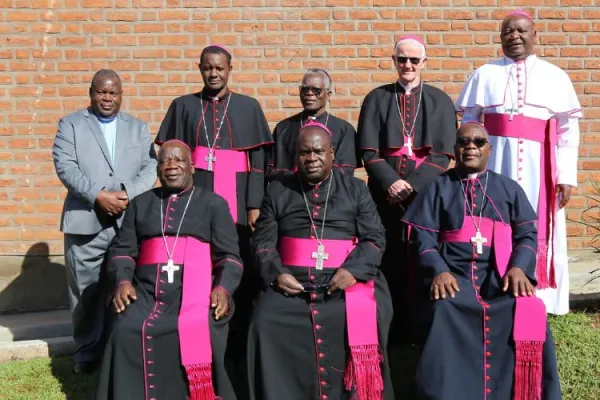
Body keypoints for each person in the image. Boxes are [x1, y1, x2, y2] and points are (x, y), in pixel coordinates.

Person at [402, 123, 561, 399]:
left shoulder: (508, 189)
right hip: (454, 276)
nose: (471, 146)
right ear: (455, 149)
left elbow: (527, 235)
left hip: (497, 276)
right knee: (445, 307)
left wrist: (518, 267)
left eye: (478, 142)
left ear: (489, 149)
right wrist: (438, 270)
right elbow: (422, 238)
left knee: (527, 306)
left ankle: (525, 391)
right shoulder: (437, 187)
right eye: (464, 142)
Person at [154, 44, 272, 393]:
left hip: (237, 199)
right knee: (200, 265)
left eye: (220, 68)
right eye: (208, 68)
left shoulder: (248, 107)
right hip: (199, 196)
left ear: (230, 69)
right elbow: (170, 157)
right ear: (200, 69)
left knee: (238, 265)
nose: (214, 74)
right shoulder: (184, 106)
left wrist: (253, 204)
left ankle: (238, 343)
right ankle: (200, 336)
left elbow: (258, 163)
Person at [248, 122, 394, 400]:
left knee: (365, 314)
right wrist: (276, 274)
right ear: (296, 156)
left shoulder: (356, 189)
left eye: (318, 151)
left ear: (332, 154)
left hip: (344, 283)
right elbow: (262, 243)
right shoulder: (277, 191)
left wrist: (353, 270)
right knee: (263, 319)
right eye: (305, 153)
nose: (311, 158)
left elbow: (375, 239)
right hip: (292, 285)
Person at [455, 10, 582, 315]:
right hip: (495, 164)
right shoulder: (485, 74)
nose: (514, 36)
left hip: (541, 169)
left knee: (539, 224)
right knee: (493, 220)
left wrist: (565, 176)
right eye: (508, 32)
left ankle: (542, 297)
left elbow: (568, 130)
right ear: (501, 38)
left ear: (534, 35)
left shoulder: (555, 75)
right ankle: (493, 285)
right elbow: (470, 122)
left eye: (521, 31)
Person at [97, 140, 243, 400]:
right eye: (164, 161)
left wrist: (223, 288)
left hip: (196, 293)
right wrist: (122, 282)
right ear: (157, 169)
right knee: (125, 328)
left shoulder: (214, 204)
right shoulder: (141, 203)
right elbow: (122, 250)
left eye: (178, 160)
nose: (171, 166)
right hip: (146, 292)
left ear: (192, 166)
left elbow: (230, 256)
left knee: (200, 325)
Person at [52, 69, 157, 374]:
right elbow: (65, 166)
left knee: (126, 286)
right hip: (85, 220)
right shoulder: (70, 125)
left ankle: (120, 350)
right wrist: (97, 195)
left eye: (113, 93)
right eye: (101, 92)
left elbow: (151, 165)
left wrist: (127, 193)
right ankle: (87, 352)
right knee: (86, 292)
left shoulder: (138, 128)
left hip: (127, 220)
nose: (107, 98)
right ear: (91, 93)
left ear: (121, 95)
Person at [356, 35, 457, 343]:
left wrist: (411, 185)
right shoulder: (377, 98)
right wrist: (391, 182)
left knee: (423, 254)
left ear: (424, 63)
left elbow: (442, 154)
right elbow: (369, 152)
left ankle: (423, 324)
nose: (408, 65)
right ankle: (391, 326)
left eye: (414, 60)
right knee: (388, 256)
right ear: (394, 62)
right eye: (402, 60)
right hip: (384, 196)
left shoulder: (439, 100)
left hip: (425, 194)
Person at [266, 68, 358, 182]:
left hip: (331, 196)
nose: (309, 93)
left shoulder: (344, 130)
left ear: (328, 94)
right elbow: (270, 169)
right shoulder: (283, 128)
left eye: (316, 90)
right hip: (289, 195)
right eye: (305, 89)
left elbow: (345, 172)